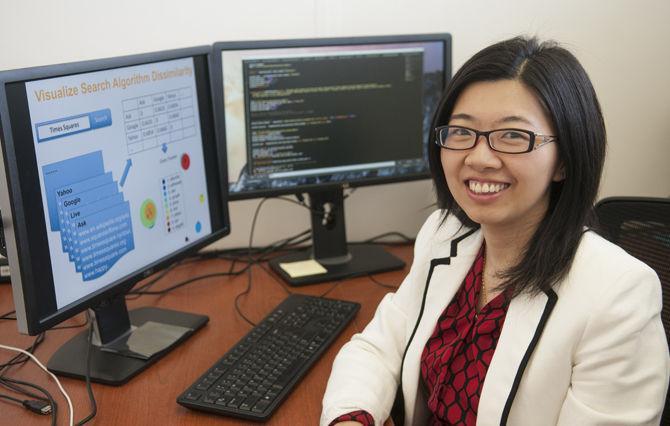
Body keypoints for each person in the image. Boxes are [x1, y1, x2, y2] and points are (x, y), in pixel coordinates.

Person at [320, 37, 670, 426]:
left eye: (513, 136)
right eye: (461, 132)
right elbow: (379, 347)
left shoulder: (619, 295)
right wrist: (352, 418)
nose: (479, 158)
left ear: (564, 161)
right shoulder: (444, 233)